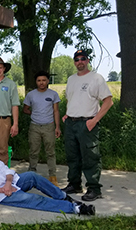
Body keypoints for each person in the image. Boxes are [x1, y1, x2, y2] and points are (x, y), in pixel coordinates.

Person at [0, 138, 96, 215]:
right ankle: (75, 208)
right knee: (35, 199)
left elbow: (7, 170)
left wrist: (8, 184)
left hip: (10, 184)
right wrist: (5, 189)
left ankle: (64, 197)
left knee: (33, 176)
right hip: (1, 194)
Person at [61, 50, 113, 201]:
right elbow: (72, 99)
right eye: (77, 59)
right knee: (72, 156)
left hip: (87, 123)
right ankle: (74, 184)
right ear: (74, 62)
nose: (80, 61)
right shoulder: (71, 79)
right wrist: (67, 113)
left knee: (90, 156)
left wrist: (95, 120)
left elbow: (108, 101)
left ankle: (94, 188)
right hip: (71, 123)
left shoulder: (96, 78)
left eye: (82, 59)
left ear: (88, 60)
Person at [23, 71, 61, 186]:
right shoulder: (31, 95)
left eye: (44, 80)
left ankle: (52, 176)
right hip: (34, 126)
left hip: (49, 126)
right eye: (39, 80)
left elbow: (56, 111)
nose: (41, 83)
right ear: (36, 82)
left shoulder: (53, 94)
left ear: (48, 81)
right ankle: (32, 172)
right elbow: (25, 109)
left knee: (50, 152)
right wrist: (34, 114)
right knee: (34, 151)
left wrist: (57, 127)